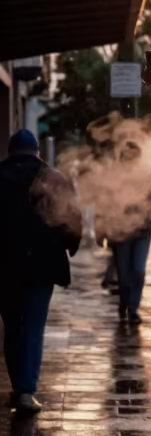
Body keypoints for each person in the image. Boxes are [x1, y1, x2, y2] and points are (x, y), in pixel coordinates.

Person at [0, 129, 81, 412]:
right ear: (37, 151)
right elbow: (71, 217)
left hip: (5, 265)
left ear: (11, 152)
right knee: (34, 326)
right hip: (42, 265)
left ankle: (17, 384)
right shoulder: (53, 179)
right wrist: (71, 245)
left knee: (12, 327)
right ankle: (25, 390)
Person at [95, 139, 151, 325]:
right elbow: (103, 205)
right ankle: (125, 302)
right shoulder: (112, 179)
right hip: (119, 231)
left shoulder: (147, 177)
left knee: (138, 270)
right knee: (124, 274)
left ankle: (133, 308)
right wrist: (100, 230)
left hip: (142, 229)